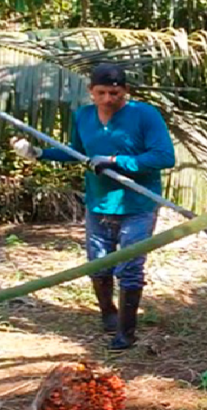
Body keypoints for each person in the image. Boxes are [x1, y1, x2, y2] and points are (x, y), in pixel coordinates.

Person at [11, 62, 176, 351]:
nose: (108, 99)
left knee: (130, 268)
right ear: (91, 92)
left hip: (137, 204)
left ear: (125, 91)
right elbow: (75, 152)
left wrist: (115, 162)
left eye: (115, 93)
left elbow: (163, 157)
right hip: (98, 204)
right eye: (101, 93)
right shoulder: (84, 116)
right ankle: (108, 315)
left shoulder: (144, 115)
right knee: (98, 265)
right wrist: (38, 153)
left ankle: (126, 333)